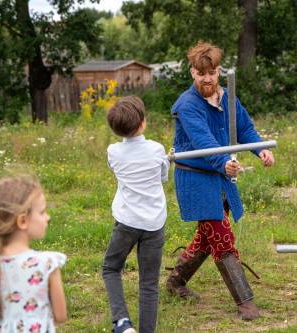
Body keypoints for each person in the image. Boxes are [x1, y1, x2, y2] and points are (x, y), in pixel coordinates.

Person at [165, 41, 274, 321]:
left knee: (207, 237)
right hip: (196, 179)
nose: (207, 79)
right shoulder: (187, 105)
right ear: (192, 73)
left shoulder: (228, 98)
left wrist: (259, 148)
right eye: (201, 74)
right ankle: (245, 302)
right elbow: (204, 141)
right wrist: (224, 163)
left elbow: (244, 129)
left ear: (218, 71)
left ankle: (176, 282)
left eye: (211, 73)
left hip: (220, 179)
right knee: (222, 237)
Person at [102, 96, 170, 333]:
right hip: (154, 223)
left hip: (127, 222)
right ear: (142, 123)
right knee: (149, 283)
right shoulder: (157, 149)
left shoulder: (113, 152)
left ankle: (121, 321)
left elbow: (117, 169)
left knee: (111, 268)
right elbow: (162, 177)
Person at [0, 174, 67, 333]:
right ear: (22, 221)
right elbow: (61, 315)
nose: (47, 217)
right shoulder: (47, 263)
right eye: (42, 212)